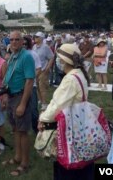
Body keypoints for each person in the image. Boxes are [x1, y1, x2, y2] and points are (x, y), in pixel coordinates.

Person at [38, 44, 93, 180]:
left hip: (70, 126)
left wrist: (43, 118)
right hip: (79, 122)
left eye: (59, 59)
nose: (58, 61)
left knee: (67, 165)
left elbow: (58, 105)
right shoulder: (79, 74)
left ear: (64, 60)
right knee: (80, 161)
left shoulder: (70, 79)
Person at [1, 31, 35, 176]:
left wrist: (22, 104)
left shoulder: (26, 56)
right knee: (15, 129)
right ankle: (17, 157)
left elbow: (29, 81)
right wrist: (4, 96)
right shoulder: (13, 56)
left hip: (21, 96)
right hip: (11, 95)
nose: (14, 42)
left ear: (23, 41)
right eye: (11, 39)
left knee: (22, 131)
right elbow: (8, 76)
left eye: (17, 39)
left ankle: (24, 163)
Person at [23, 36, 42, 134]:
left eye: (25, 44)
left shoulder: (33, 54)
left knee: (33, 109)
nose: (23, 46)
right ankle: (23, 127)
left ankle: (36, 129)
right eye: (22, 43)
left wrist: (31, 78)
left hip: (31, 85)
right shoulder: (17, 54)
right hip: (19, 86)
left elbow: (39, 68)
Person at [33, 32, 54, 111]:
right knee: (37, 86)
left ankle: (44, 103)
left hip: (43, 70)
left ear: (41, 38)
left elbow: (51, 57)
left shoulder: (45, 47)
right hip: (35, 70)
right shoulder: (34, 47)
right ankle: (40, 100)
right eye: (35, 37)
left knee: (42, 87)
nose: (35, 38)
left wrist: (48, 67)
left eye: (37, 37)